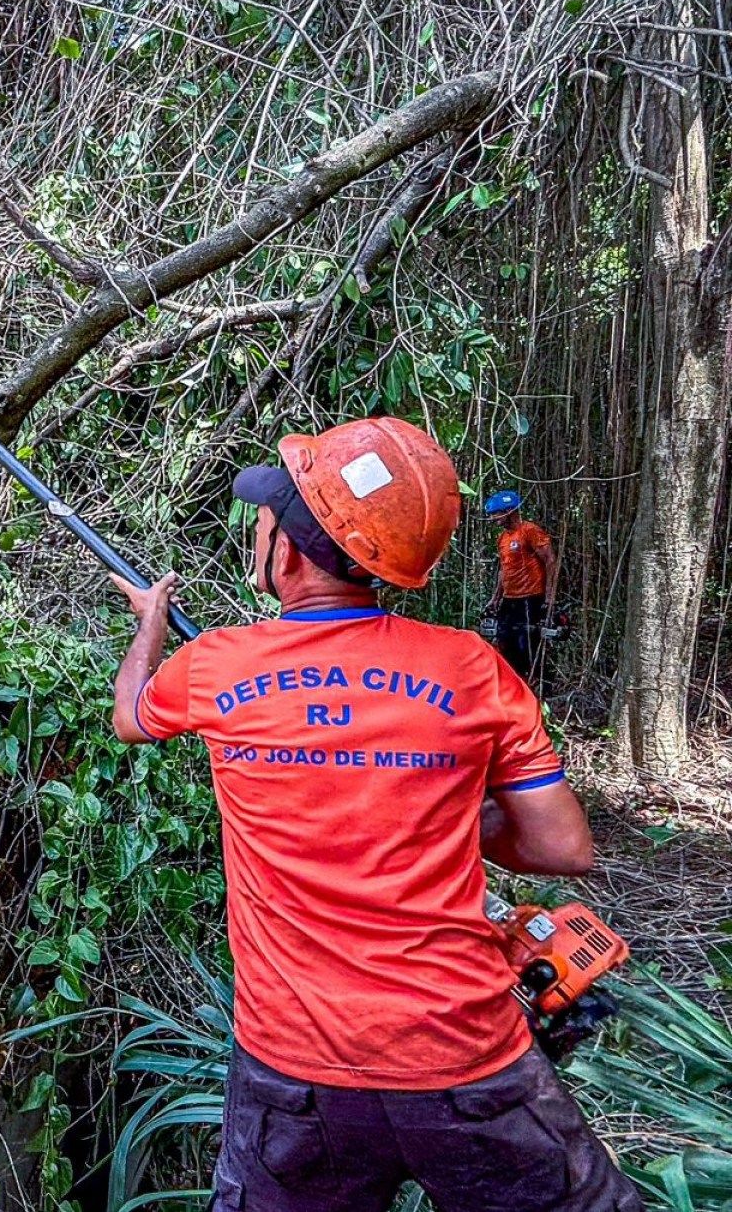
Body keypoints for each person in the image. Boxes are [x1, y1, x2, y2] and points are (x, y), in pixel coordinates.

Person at [108, 417, 638, 1212]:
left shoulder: (214, 664)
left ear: (284, 551)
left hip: (296, 1075)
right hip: (467, 1058)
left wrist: (150, 625)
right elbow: (563, 846)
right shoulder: (471, 668)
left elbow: (131, 716)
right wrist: (439, 806)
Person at [484, 489, 559, 689]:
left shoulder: (530, 531)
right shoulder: (503, 539)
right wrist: (495, 599)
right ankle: (515, 684)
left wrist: (549, 599)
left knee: (527, 644)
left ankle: (538, 684)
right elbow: (504, 569)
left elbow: (550, 560)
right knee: (503, 641)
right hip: (510, 599)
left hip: (530, 597)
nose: (493, 518)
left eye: (496, 514)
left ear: (510, 511)